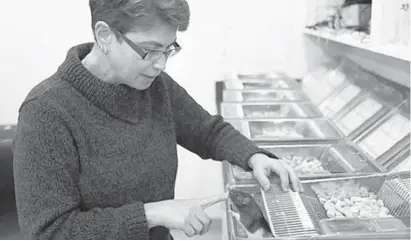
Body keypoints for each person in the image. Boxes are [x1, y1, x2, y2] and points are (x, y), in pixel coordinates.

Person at [12, 0, 303, 239]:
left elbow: (206, 131)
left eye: (169, 49)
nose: (161, 64)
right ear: (104, 36)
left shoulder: (156, 85)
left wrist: (253, 156)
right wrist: (153, 214)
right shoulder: (46, 112)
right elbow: (49, 233)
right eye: (150, 50)